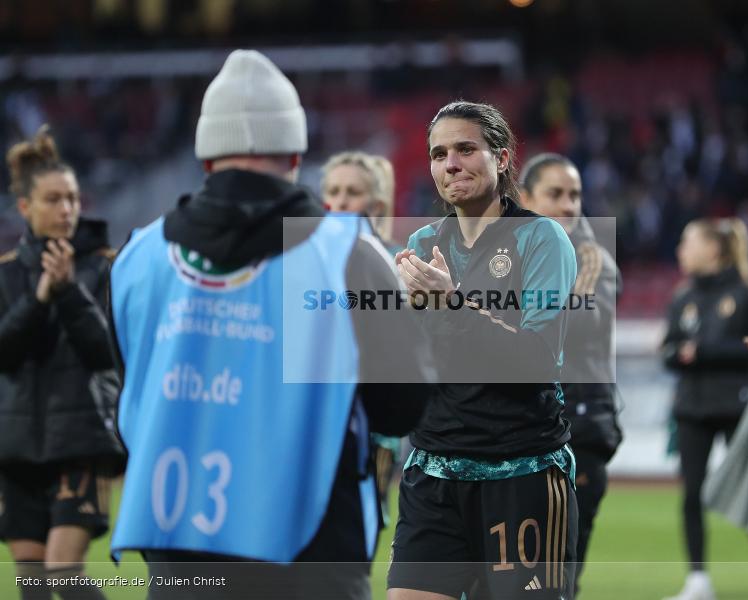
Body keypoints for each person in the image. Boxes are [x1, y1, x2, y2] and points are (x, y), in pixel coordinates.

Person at [107, 49, 433, 600]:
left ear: (207, 157)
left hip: (182, 556)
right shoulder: (351, 254)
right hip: (311, 553)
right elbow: (401, 407)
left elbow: (131, 397)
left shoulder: (137, 259)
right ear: (297, 154)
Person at [386, 101, 579, 600]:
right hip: (434, 470)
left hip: (522, 472)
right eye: (438, 153)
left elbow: (536, 364)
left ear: (502, 158)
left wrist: (451, 304)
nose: (450, 164)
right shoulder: (424, 242)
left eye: (466, 149)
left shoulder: (542, 239)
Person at [0, 125, 123, 600]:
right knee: (32, 586)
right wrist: (38, 299)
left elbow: (104, 352)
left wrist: (68, 291)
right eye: (53, 199)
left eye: (72, 198)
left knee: (63, 575)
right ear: (26, 208)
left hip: (80, 442)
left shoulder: (106, 268)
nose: (67, 209)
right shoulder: (7, 274)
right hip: (17, 449)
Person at [518, 152, 623, 598]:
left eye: (574, 195)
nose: (568, 205)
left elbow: (582, 320)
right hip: (526, 427)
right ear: (525, 198)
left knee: (559, 574)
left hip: (578, 428)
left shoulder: (590, 257)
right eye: (556, 194)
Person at [661, 218, 748, 600]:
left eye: (688, 242)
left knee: (747, 492)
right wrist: (678, 354)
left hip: (736, 406)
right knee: (691, 495)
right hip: (692, 408)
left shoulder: (747, 293)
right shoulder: (683, 296)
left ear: (712, 250)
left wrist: (701, 353)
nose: (681, 250)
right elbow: (668, 349)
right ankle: (698, 581)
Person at [322, 150, 405, 523]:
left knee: (358, 525)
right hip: (321, 414)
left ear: (377, 203)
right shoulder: (310, 259)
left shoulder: (396, 263)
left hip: (372, 422)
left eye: (352, 192)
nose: (340, 200)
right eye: (334, 190)